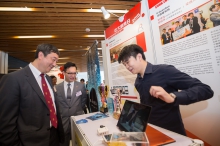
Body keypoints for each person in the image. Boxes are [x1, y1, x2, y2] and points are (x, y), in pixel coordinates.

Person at [117, 44, 214, 136]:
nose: (127, 67)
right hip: (151, 131)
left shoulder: (164, 71)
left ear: (139, 57)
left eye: (127, 62)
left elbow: (205, 90)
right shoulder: (138, 81)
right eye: (124, 64)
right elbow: (149, 104)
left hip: (172, 133)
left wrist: (173, 96)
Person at [0, 43, 65, 146]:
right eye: (53, 59)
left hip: (53, 137)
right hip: (30, 142)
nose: (55, 64)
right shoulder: (13, 79)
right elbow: (6, 123)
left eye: (56, 61)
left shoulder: (48, 79)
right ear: (40, 55)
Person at [56, 62, 87, 146]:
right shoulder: (57, 88)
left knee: (78, 142)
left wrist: (78, 110)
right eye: (70, 73)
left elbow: (83, 100)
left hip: (77, 119)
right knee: (63, 143)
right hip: (63, 121)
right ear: (63, 73)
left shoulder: (80, 86)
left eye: (74, 73)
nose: (73, 75)